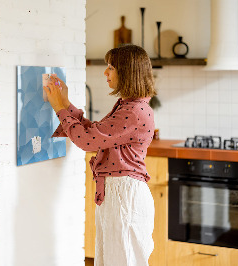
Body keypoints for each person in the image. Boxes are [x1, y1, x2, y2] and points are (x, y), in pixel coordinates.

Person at [44, 44, 156, 266]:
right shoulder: (129, 106)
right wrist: (65, 104)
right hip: (119, 195)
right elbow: (95, 133)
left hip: (124, 197)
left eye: (111, 67)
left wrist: (59, 108)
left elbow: (87, 141)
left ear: (127, 72)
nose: (106, 73)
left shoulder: (133, 111)